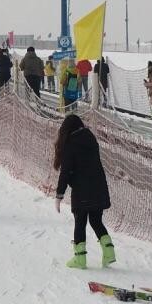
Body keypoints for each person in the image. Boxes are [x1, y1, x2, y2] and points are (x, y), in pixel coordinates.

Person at [53, 113, 115, 269]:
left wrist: (59, 195)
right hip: (99, 187)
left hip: (82, 191)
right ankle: (109, 252)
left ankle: (80, 259)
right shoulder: (90, 138)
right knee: (96, 220)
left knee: (80, 223)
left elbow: (65, 172)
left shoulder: (70, 143)